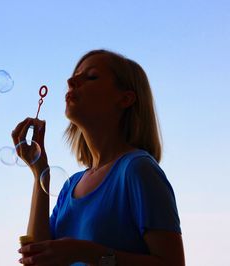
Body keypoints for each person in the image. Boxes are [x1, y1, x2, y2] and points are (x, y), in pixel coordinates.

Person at [11, 49, 185, 266]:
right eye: (74, 76)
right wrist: (39, 173)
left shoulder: (137, 170)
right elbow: (37, 260)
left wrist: (88, 253)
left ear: (125, 99)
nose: (71, 81)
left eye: (91, 76)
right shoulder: (70, 186)